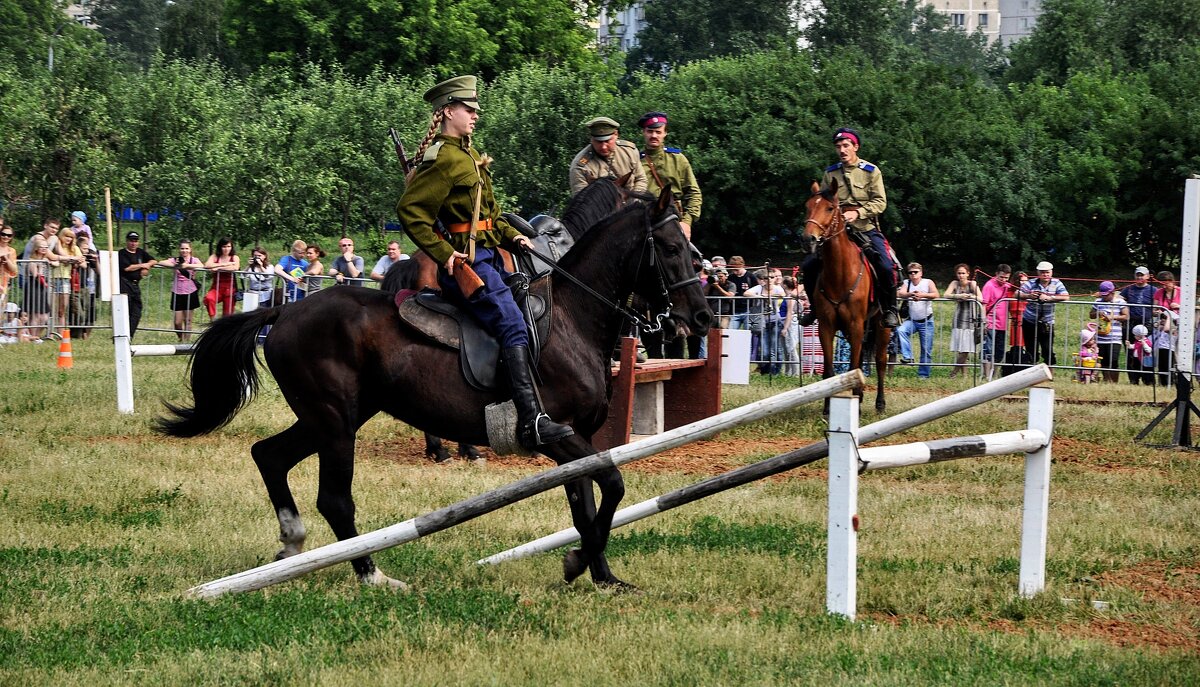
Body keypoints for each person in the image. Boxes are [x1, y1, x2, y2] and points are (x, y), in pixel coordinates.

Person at [396, 74, 572, 450]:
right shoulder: (443, 158)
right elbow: (410, 211)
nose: (475, 115)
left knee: (528, 313)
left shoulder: (469, 156)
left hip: (493, 258)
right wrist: (445, 256)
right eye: (468, 109)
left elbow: (491, 215)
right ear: (447, 112)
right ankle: (531, 422)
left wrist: (515, 236)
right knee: (512, 324)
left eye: (475, 109)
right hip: (469, 268)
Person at [800, 127, 901, 329]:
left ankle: (889, 309)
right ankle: (814, 308)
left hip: (864, 227)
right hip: (835, 230)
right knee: (809, 266)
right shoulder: (830, 173)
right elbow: (822, 202)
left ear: (856, 147)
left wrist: (858, 213)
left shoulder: (871, 171)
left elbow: (880, 202)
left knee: (885, 265)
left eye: (846, 145)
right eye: (838, 147)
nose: (842, 150)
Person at [637, 111, 702, 241]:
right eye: (650, 131)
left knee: (691, 258)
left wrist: (687, 222)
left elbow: (694, 193)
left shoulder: (678, 159)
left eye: (658, 132)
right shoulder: (635, 161)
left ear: (665, 133)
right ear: (644, 132)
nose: (654, 135)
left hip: (673, 220)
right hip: (643, 221)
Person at [568, 117, 647, 196]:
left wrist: (635, 200)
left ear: (616, 134)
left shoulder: (629, 151)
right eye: (599, 142)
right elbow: (582, 200)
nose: (603, 147)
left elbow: (641, 179)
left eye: (607, 141)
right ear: (591, 138)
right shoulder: (580, 166)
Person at [1017, 261, 1069, 366]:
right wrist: (1029, 296)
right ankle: (1031, 373)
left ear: (1051, 272)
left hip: (1047, 322)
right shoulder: (1031, 283)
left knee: (1047, 349)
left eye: (1047, 272)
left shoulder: (1057, 283)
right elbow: (1017, 293)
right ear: (1038, 273)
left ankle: (1050, 374)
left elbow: (1066, 296)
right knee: (1031, 349)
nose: (1045, 275)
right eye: (1042, 272)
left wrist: (1049, 298)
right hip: (1029, 321)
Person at [897, 262, 938, 379]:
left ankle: (923, 375)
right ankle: (907, 356)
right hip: (912, 320)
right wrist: (910, 294)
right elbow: (900, 293)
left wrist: (922, 295)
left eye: (915, 272)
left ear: (921, 273)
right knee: (901, 330)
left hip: (926, 321)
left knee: (926, 349)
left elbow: (936, 294)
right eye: (910, 272)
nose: (913, 274)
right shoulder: (907, 282)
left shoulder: (928, 282)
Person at [157, 240, 203, 342]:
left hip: (190, 292)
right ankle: (181, 338)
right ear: (179, 249)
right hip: (177, 292)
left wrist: (186, 266)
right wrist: (175, 265)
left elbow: (202, 266)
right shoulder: (176, 260)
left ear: (190, 249)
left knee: (188, 320)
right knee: (177, 322)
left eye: (186, 248)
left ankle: (186, 341)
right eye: (182, 248)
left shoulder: (193, 260)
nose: (184, 250)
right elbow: (160, 262)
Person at [943, 263, 982, 378]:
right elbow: (946, 294)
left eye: (963, 273)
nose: (961, 275)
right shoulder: (954, 283)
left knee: (966, 349)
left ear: (968, 274)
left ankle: (954, 373)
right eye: (959, 273)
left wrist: (970, 296)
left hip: (971, 319)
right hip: (959, 318)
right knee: (961, 348)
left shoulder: (972, 284)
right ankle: (964, 376)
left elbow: (981, 298)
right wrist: (958, 296)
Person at [980, 265, 1017, 381]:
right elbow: (983, 304)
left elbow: (1017, 292)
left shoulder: (1007, 286)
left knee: (999, 352)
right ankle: (987, 376)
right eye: (1001, 277)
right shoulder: (989, 286)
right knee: (988, 350)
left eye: (1006, 278)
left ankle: (995, 376)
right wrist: (983, 320)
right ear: (996, 274)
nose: (1004, 280)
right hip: (990, 323)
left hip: (1002, 324)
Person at [1119, 266, 1155, 383]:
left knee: (1146, 351)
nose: (1139, 277)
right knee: (1131, 352)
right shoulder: (1128, 289)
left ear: (1148, 276)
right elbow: (1118, 298)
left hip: (1146, 324)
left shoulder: (1153, 290)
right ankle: (1133, 379)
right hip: (1130, 324)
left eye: (1142, 275)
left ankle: (1148, 379)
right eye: (1137, 275)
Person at [117, 231, 156, 337]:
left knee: (136, 312)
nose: (133, 243)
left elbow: (154, 261)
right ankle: (122, 334)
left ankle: (129, 335)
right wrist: (143, 265)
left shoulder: (140, 252)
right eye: (131, 241)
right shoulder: (122, 253)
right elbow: (128, 268)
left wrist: (147, 266)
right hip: (125, 284)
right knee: (126, 311)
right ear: (127, 241)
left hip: (135, 285)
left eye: (135, 241)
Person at [1089, 280, 1127, 383]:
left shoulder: (1120, 302)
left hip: (1115, 337)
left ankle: (1114, 382)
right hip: (1101, 337)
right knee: (1103, 360)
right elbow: (1091, 314)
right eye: (1102, 295)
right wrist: (1098, 312)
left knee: (1113, 360)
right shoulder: (1098, 302)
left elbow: (1126, 316)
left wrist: (1112, 317)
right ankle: (1107, 380)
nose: (1104, 297)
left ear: (1112, 292)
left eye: (1106, 295)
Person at [51, 227, 84, 331]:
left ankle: (60, 333)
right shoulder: (56, 245)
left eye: (71, 237)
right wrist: (70, 259)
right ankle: (51, 333)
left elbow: (82, 262)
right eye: (67, 236)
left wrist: (73, 261)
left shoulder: (74, 249)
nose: (69, 239)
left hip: (65, 279)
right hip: (53, 278)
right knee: (53, 308)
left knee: (62, 309)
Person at [203, 237, 240, 318]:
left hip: (230, 289)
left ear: (231, 247)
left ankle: (225, 329)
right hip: (216, 288)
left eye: (228, 246)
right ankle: (213, 321)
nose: (226, 249)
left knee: (227, 315)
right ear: (220, 247)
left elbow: (235, 268)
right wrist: (224, 264)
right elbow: (207, 265)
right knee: (209, 299)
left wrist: (217, 268)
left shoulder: (234, 257)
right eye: (224, 246)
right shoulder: (215, 256)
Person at [781, 274, 804, 376]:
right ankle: (788, 371)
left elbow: (789, 313)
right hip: (788, 322)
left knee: (791, 348)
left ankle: (795, 373)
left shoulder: (790, 297)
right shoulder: (787, 296)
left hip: (791, 324)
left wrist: (785, 328)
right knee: (787, 349)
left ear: (785, 285)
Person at [725, 256, 754, 330]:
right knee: (731, 333)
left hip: (748, 310)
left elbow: (757, 289)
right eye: (733, 270)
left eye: (737, 270)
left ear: (742, 265)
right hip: (734, 311)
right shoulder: (730, 277)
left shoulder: (750, 277)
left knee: (748, 333)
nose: (735, 272)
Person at [1151, 311, 1177, 387]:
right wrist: (1159, 321)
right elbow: (1155, 325)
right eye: (1162, 318)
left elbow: (1166, 329)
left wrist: (1169, 317)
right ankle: (1163, 383)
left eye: (1164, 318)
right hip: (1161, 348)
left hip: (1168, 349)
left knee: (1167, 367)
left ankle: (1170, 383)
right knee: (1161, 367)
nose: (1162, 320)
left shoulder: (1174, 329)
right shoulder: (1162, 327)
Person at [0, 221, 17, 311]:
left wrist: (6, 260)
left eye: (9, 235)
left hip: (4, 284)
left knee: (1, 313)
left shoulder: (12, 251)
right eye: (3, 234)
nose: (6, 237)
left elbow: (14, 270)